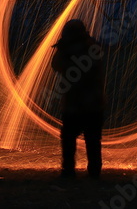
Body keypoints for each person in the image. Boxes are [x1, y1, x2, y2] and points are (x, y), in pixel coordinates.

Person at [50, 18, 105, 179]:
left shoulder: (75, 49)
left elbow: (58, 66)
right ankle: (94, 173)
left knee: (70, 138)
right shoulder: (92, 47)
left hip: (77, 103)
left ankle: (69, 172)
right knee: (92, 139)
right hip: (92, 103)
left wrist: (64, 51)